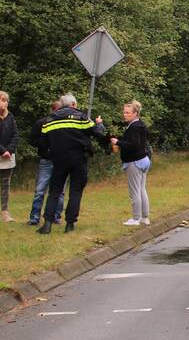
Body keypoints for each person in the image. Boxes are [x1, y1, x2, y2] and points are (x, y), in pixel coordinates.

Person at [37, 93, 108, 234]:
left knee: (54, 192)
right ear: (74, 104)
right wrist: (99, 124)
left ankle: (47, 225)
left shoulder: (50, 119)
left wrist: (51, 153)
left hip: (58, 160)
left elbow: (43, 142)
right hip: (78, 159)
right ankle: (69, 225)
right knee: (75, 191)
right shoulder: (81, 117)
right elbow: (98, 134)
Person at [110, 100, 151, 227]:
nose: (124, 114)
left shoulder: (134, 127)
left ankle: (136, 218)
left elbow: (134, 145)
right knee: (141, 189)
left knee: (135, 191)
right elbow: (136, 142)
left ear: (135, 114)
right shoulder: (139, 125)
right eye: (124, 112)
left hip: (135, 161)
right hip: (143, 160)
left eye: (127, 112)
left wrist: (118, 142)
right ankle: (145, 217)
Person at [27, 100, 65, 226]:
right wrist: (46, 145)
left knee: (58, 191)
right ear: (53, 110)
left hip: (60, 161)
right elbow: (32, 139)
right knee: (41, 190)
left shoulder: (65, 124)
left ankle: (55, 216)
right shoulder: (42, 123)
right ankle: (35, 217)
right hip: (47, 159)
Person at [0, 90, 18, 223]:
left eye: (5, 100)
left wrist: (9, 150)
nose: (3, 103)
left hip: (8, 156)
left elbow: (15, 135)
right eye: (1, 100)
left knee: (6, 184)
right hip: (2, 153)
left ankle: (5, 212)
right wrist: (2, 150)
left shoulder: (10, 116)